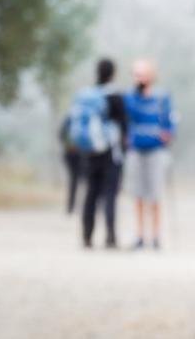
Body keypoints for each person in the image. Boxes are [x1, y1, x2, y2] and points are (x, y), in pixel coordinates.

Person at [68, 58, 127, 249]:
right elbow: (124, 126)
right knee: (110, 194)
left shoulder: (87, 96)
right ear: (113, 73)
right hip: (110, 152)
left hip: (90, 153)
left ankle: (87, 236)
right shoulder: (115, 96)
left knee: (90, 193)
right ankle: (110, 236)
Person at [124, 60, 175, 250]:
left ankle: (156, 236)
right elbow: (126, 119)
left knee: (155, 194)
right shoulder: (129, 98)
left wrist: (168, 134)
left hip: (156, 151)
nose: (140, 78)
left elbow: (170, 121)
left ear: (152, 75)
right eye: (136, 74)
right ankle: (139, 235)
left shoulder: (162, 98)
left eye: (143, 74)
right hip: (135, 150)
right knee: (137, 193)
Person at [58, 116, 83, 214]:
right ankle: (88, 207)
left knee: (73, 181)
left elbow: (60, 134)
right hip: (85, 154)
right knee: (89, 182)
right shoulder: (93, 115)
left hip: (70, 154)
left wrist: (69, 146)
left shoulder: (70, 118)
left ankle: (71, 207)